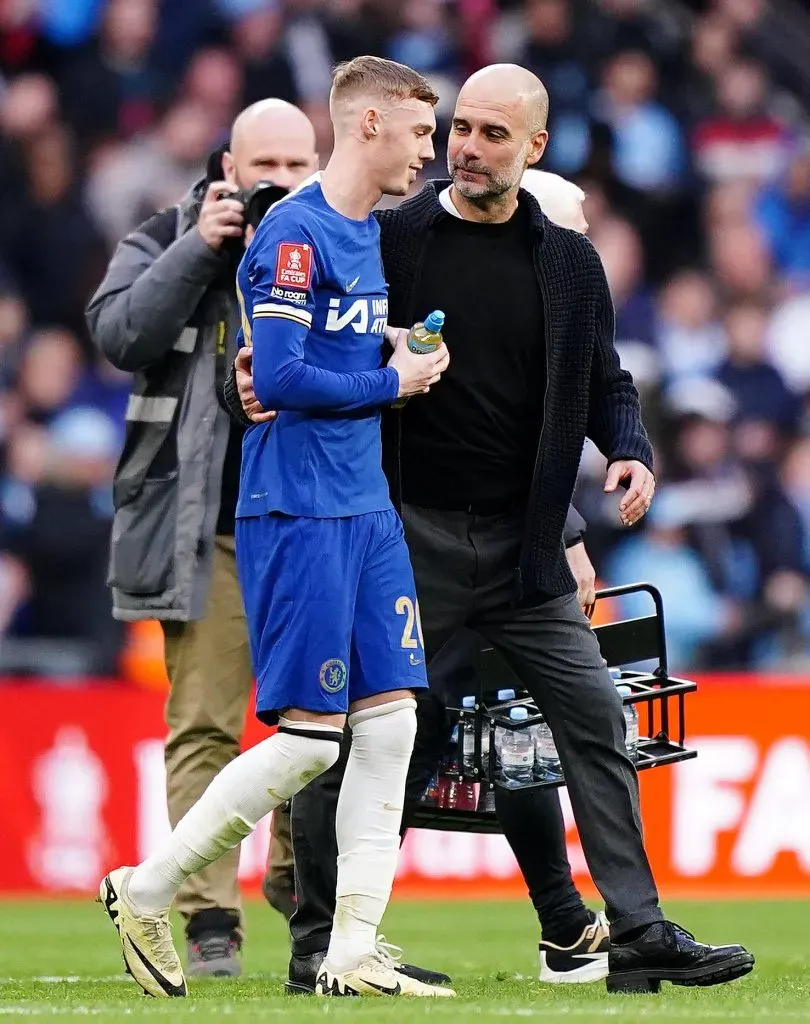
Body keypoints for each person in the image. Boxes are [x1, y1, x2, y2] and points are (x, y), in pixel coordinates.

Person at [228, 63, 755, 996]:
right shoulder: (395, 237)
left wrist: (629, 448)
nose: (466, 149)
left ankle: (635, 930)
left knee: (595, 720)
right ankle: (320, 945)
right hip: (406, 536)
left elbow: (605, 378)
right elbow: (310, 337)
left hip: (524, 546)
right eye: (460, 129)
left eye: (492, 135)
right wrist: (249, 368)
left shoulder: (568, 262)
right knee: (366, 740)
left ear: (535, 148)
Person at [95, 55, 457, 1001]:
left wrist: (389, 344)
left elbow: (316, 351)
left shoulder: (365, 232)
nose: (429, 151)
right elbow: (285, 378)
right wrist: (393, 379)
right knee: (308, 740)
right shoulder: (294, 234)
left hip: (365, 505)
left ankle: (352, 950)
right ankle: (146, 890)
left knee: (392, 724)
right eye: (420, 132)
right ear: (369, 125)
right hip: (298, 506)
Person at [85, 99, 320, 978]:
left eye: (298, 166)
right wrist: (200, 248)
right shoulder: (166, 234)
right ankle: (209, 917)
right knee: (204, 728)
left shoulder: (339, 240)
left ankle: (302, 887)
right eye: (267, 168)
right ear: (229, 168)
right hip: (208, 528)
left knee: (319, 724)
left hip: (311, 525)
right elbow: (118, 335)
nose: (282, 185)